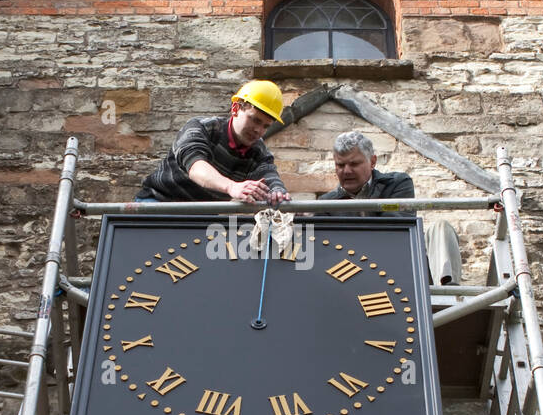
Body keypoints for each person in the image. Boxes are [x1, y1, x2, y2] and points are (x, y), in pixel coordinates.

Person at [319, 130, 462, 285]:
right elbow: (322, 250)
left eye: (354, 164)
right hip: (356, 280)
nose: (346, 171)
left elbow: (395, 229)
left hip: (405, 271)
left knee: (441, 227)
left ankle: (448, 291)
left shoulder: (397, 183)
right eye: (340, 165)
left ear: (372, 162)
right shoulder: (325, 203)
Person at [136, 80, 291, 206]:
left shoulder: (259, 152)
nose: (259, 131)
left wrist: (279, 194)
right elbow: (196, 167)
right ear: (236, 108)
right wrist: (232, 186)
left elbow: (269, 177)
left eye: (265, 126)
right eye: (255, 120)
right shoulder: (202, 127)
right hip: (157, 204)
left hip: (203, 218)